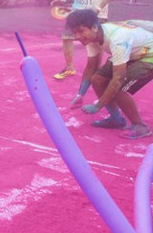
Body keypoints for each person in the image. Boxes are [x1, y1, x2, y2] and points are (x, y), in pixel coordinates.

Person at [66, 8, 153, 139]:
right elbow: (91, 67)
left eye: (81, 31)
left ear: (94, 27)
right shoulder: (92, 37)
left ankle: (140, 126)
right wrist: (80, 94)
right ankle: (116, 119)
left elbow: (118, 78)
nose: (77, 37)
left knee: (119, 89)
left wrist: (97, 106)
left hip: (148, 55)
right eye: (74, 33)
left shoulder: (117, 40)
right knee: (98, 79)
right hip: (133, 52)